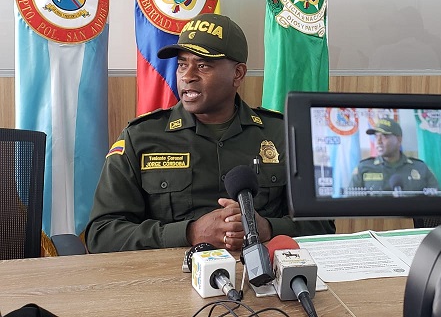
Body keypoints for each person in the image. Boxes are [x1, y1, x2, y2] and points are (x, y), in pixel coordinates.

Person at [85, 13, 335, 253]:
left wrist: (267, 228)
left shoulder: (282, 134)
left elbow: (323, 224)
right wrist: (189, 233)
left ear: (238, 74)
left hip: (264, 272)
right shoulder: (140, 137)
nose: (187, 76)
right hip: (171, 274)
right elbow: (101, 234)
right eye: (182, 65)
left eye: (202, 65)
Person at [349, 118, 440, 193]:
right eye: (376, 136)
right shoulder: (364, 168)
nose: (378, 141)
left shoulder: (420, 168)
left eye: (384, 136)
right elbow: (352, 203)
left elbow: (436, 201)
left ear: (399, 140)